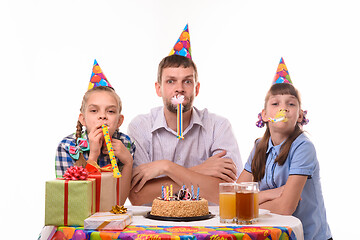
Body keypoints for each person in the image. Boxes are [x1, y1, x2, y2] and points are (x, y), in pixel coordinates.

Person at [128, 24, 242, 205]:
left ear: (196, 88)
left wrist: (165, 167)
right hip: (156, 227)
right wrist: (202, 170)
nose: (179, 89)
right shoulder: (140, 127)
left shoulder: (219, 126)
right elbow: (137, 196)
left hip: (208, 226)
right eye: (171, 81)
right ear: (159, 88)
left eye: (187, 81)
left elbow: (223, 194)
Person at [237, 58, 332, 240]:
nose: (284, 108)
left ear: (299, 115)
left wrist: (249, 204)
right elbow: (235, 195)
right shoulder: (259, 147)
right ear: (264, 115)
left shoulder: (303, 147)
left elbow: (285, 208)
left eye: (291, 104)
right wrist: (271, 194)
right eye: (275, 104)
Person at [55, 60, 135, 205]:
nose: (102, 116)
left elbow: (119, 202)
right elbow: (75, 202)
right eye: (94, 111)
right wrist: (93, 156)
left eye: (110, 111)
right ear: (83, 119)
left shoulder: (126, 143)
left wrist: (128, 162)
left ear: (119, 121)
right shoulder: (66, 146)